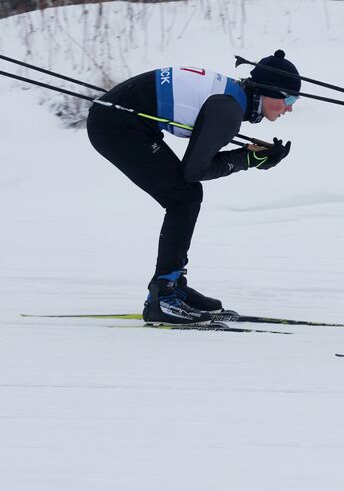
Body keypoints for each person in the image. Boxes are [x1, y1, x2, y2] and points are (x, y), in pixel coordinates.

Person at [87, 50, 301, 324]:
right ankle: (163, 297)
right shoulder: (229, 109)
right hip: (115, 125)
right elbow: (195, 170)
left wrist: (247, 156)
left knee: (185, 195)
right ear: (268, 93)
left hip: (122, 119)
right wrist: (247, 159)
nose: (291, 107)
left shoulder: (233, 98)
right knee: (184, 196)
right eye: (289, 99)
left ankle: (173, 286)